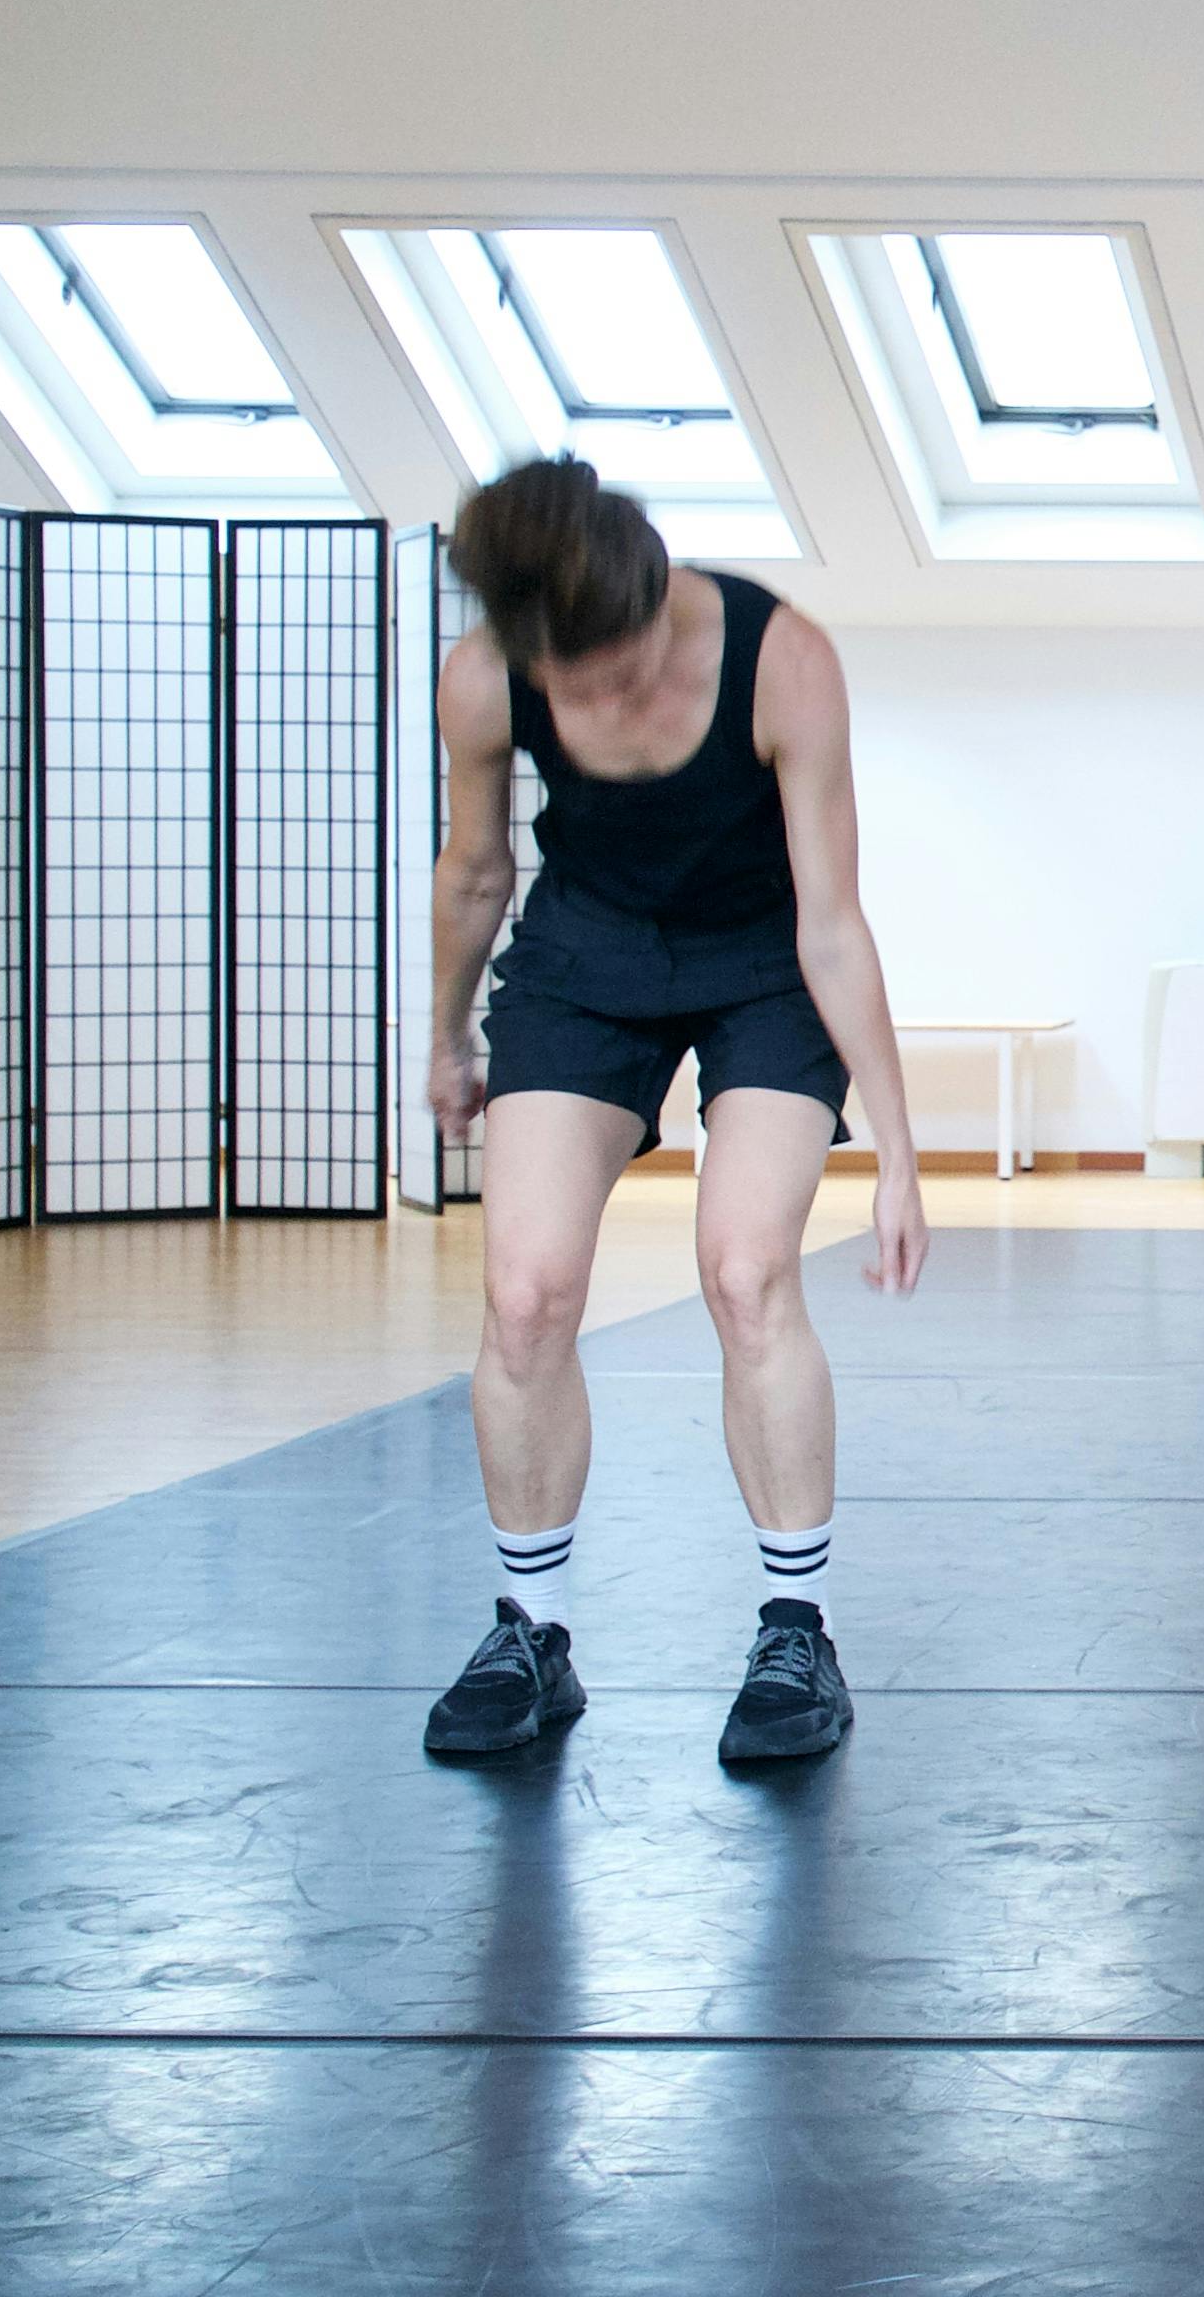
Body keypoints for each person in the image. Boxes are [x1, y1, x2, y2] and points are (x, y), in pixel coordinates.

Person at [418, 456, 927, 1765]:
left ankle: (795, 1628)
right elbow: (477, 874)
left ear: (659, 596)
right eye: (586, 690)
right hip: (588, 962)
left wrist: (903, 1153)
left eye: (637, 666)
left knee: (747, 1271)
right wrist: (444, 1037)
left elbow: (834, 921)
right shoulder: (482, 682)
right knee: (526, 1290)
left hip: (766, 962)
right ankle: (530, 1629)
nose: (624, 702)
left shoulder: (780, 659)